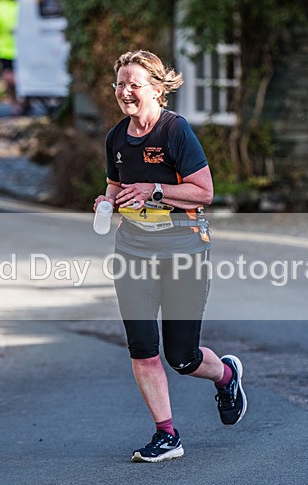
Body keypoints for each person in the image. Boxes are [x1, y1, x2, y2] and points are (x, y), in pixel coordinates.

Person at [93, 50, 247, 463]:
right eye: (120, 84)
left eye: (134, 84)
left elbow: (205, 192)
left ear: (157, 90)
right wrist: (106, 204)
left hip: (183, 249)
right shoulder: (115, 138)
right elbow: (114, 185)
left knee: (182, 357)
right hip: (133, 250)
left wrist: (154, 191)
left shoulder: (175, 131)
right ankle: (167, 435)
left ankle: (226, 374)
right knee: (142, 347)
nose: (125, 91)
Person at [0, 0, 26, 116]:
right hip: (6, 50)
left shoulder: (24, 4)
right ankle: (15, 105)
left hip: (24, 49)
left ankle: (24, 103)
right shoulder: (0, 5)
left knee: (24, 78)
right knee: (9, 78)